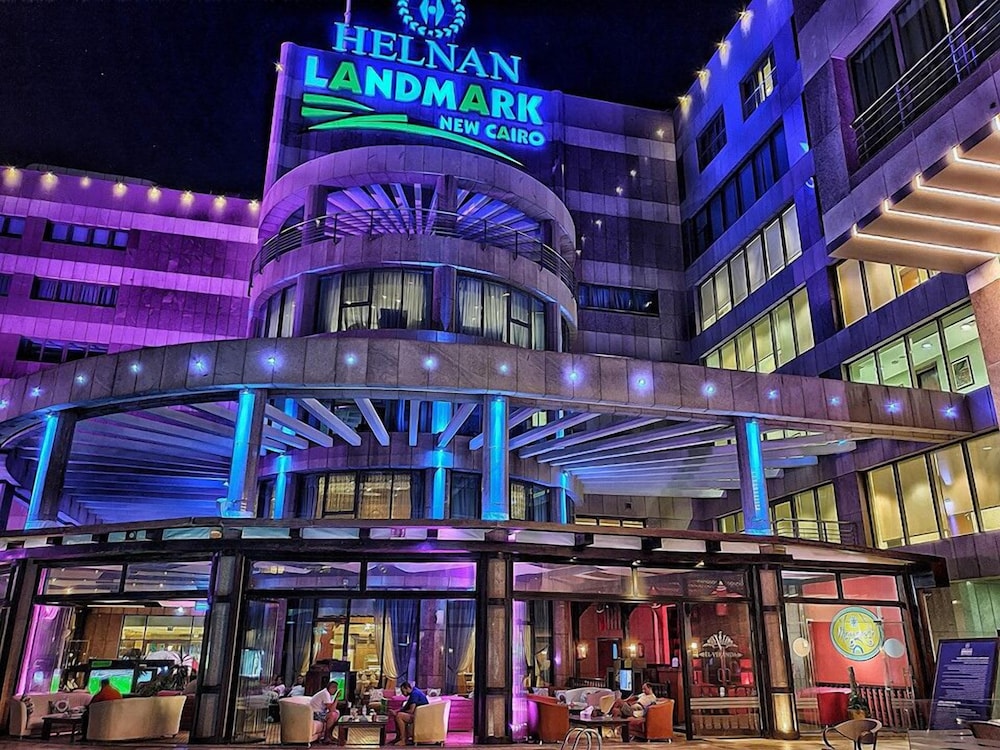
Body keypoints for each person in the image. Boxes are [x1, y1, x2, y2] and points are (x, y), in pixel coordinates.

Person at [388, 681, 428, 745]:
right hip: (418, 714)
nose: (402, 693)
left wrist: (398, 712)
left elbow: (411, 710)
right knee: (397, 714)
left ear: (406, 688)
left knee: (399, 716)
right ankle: (398, 737)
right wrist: (395, 711)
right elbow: (405, 707)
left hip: (420, 716)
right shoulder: (413, 692)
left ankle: (403, 740)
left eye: (402, 691)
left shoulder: (415, 694)